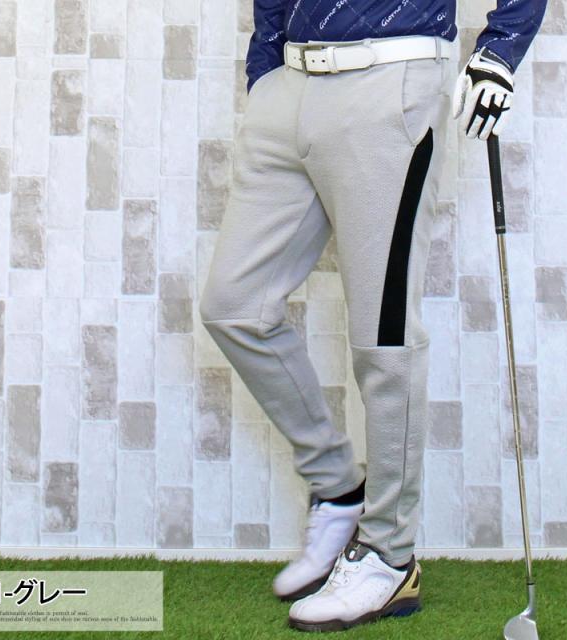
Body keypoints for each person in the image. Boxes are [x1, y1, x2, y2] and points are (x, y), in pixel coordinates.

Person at [199, 0, 546, 632]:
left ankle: (389, 555)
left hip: (392, 82)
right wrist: (265, 74)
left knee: (383, 340)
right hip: (289, 88)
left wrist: (499, 51)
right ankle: (338, 490)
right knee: (234, 307)